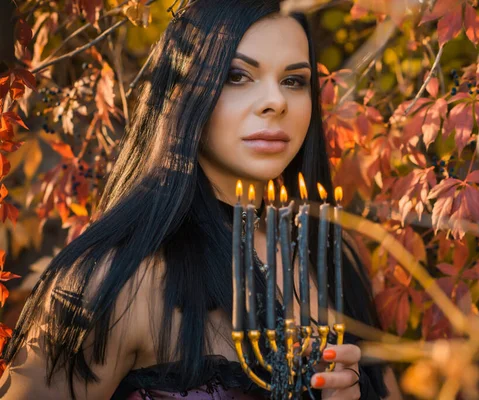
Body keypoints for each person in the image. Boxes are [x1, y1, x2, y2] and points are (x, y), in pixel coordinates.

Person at [0, 0, 402, 399]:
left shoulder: (332, 252)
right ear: (183, 91)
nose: (276, 102)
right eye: (237, 76)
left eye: (294, 81)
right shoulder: (118, 280)